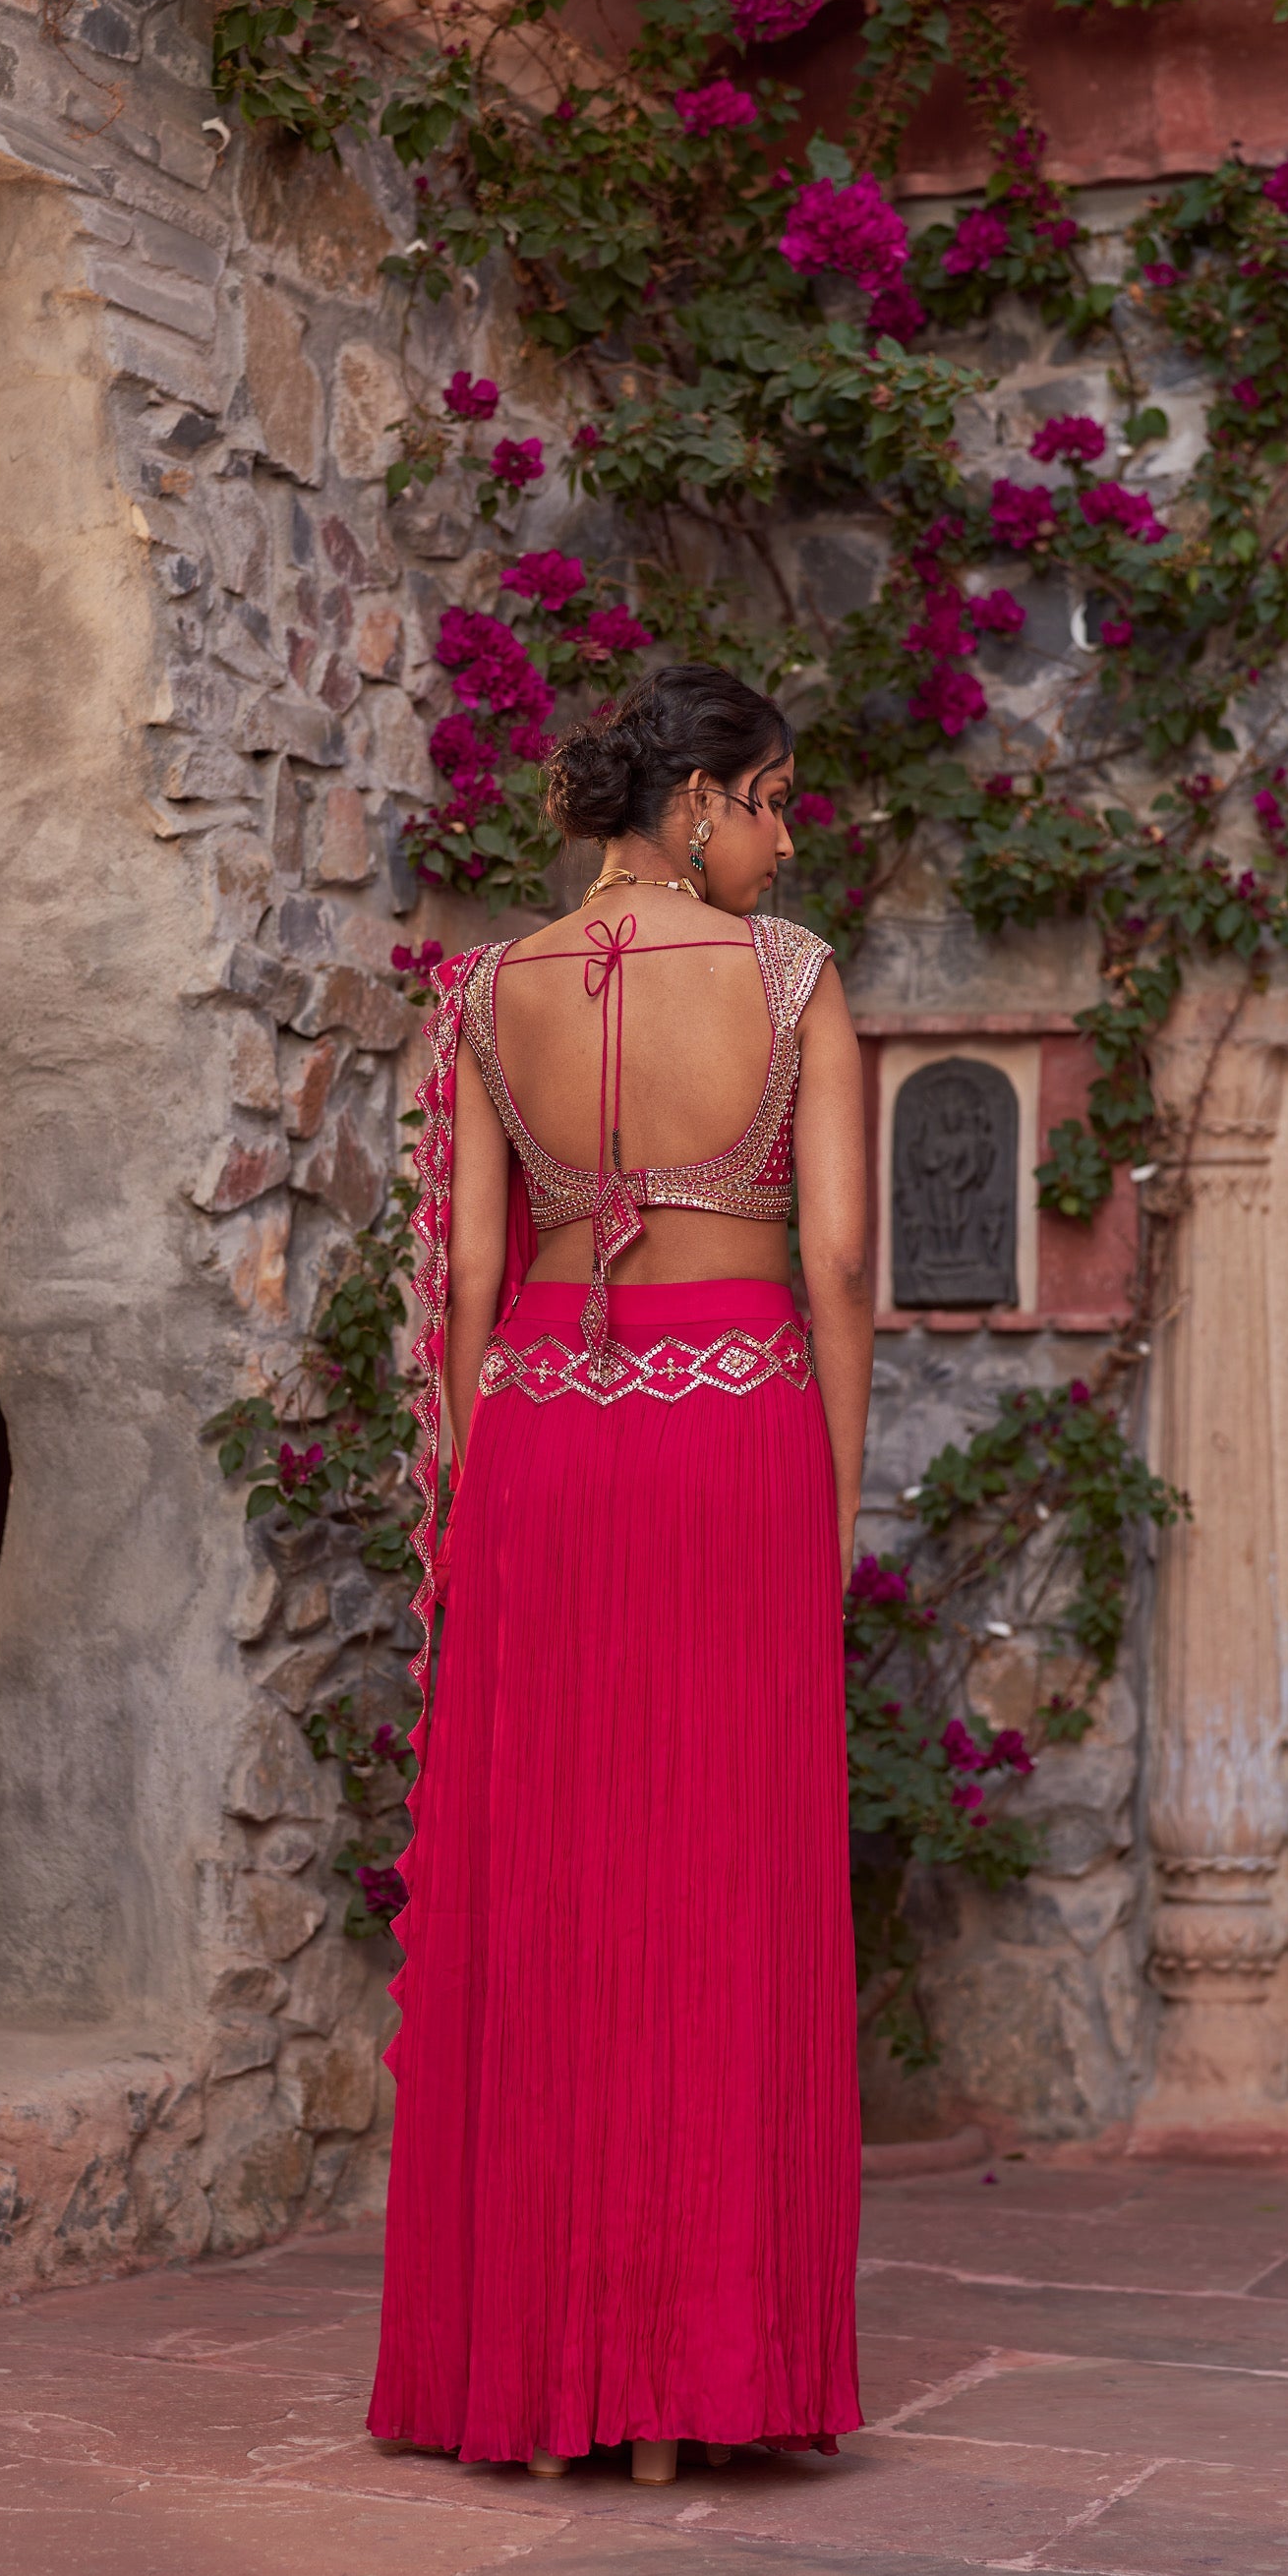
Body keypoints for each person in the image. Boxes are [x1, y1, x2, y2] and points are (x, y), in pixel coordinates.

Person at [368, 662, 873, 2484]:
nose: (786, 833)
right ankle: (695, 2379)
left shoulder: (486, 992)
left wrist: (468, 1489)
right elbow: (832, 1263)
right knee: (717, 1879)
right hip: (732, 1434)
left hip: (541, 1452)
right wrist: (836, 1488)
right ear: (694, 805)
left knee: (560, 1884)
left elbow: (474, 1282)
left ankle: (555, 2374)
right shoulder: (796, 977)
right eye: (773, 797)